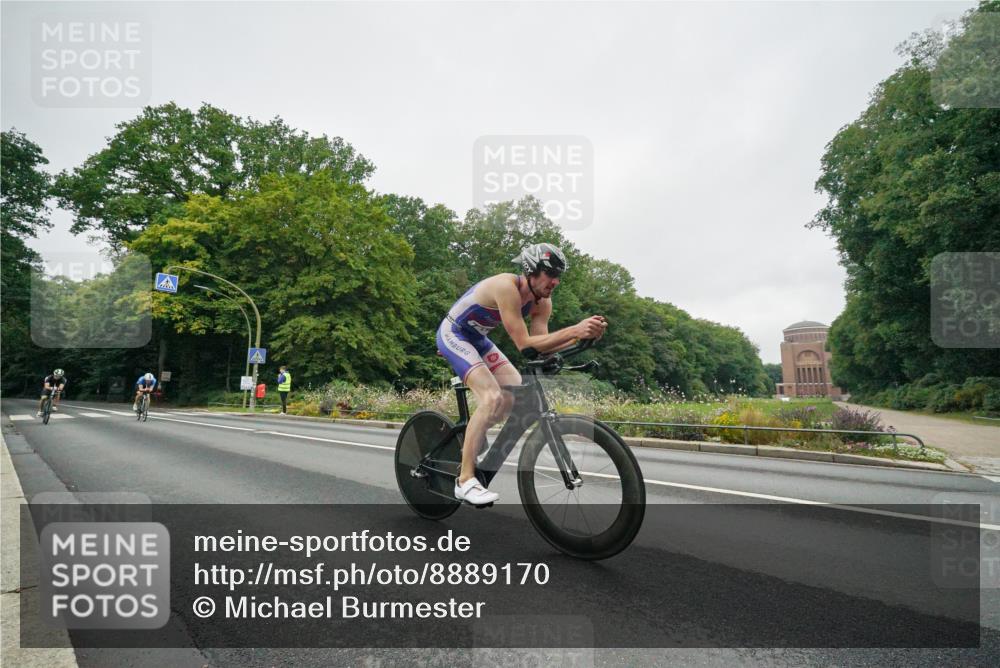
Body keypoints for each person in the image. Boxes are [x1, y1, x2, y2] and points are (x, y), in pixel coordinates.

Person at [436, 243, 607, 506]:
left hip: (478, 339)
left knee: (517, 394)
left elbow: (541, 346)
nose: (555, 281)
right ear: (531, 271)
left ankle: (474, 437)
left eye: (558, 276)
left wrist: (581, 339)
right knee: (492, 398)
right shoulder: (506, 288)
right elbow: (524, 345)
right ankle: (465, 480)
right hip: (454, 334)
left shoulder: (543, 303)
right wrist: (574, 330)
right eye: (550, 274)